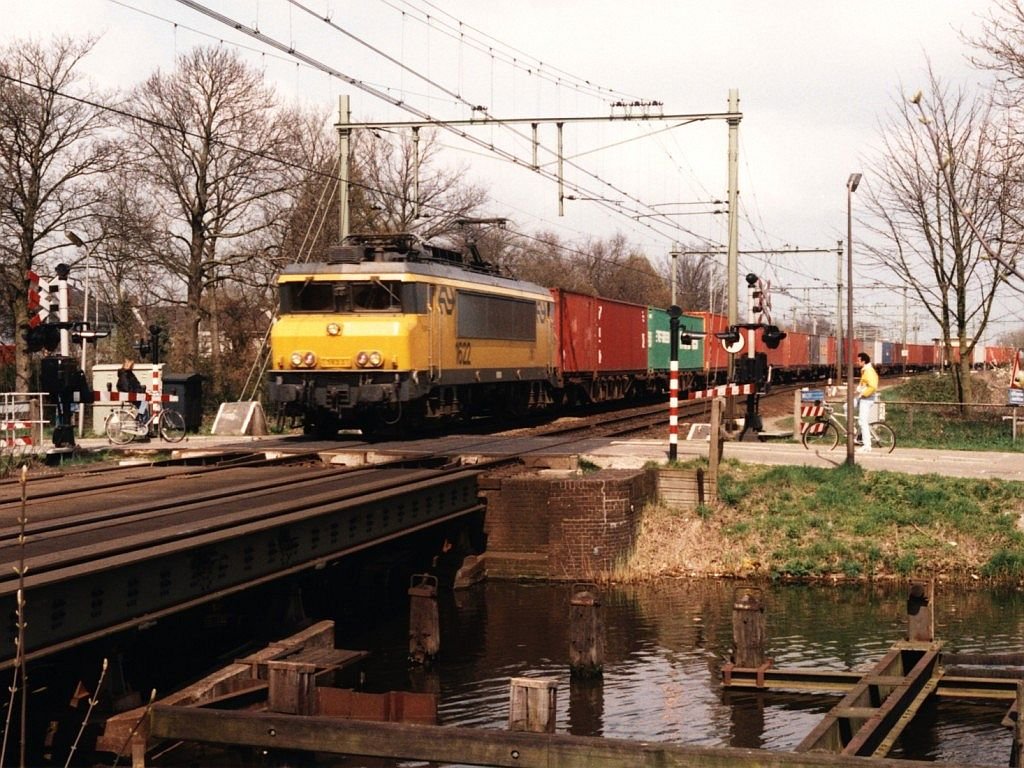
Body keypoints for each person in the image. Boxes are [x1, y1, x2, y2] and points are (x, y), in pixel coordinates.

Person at [855, 352, 879, 452]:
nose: (857, 362)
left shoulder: (869, 371)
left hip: (866, 399)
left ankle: (867, 445)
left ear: (863, 361)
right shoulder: (866, 370)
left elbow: (873, 386)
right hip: (863, 397)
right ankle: (855, 433)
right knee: (846, 407)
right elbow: (864, 384)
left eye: (858, 360)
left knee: (862, 421)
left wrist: (863, 394)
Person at [116, 358, 148, 425]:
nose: (131, 366)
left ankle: (139, 422)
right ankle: (140, 424)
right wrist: (139, 392)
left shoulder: (129, 373)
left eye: (132, 365)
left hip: (133, 394)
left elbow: (136, 384)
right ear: (125, 365)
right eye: (130, 365)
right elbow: (127, 388)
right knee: (144, 410)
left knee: (144, 404)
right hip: (130, 395)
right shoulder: (124, 375)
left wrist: (141, 390)